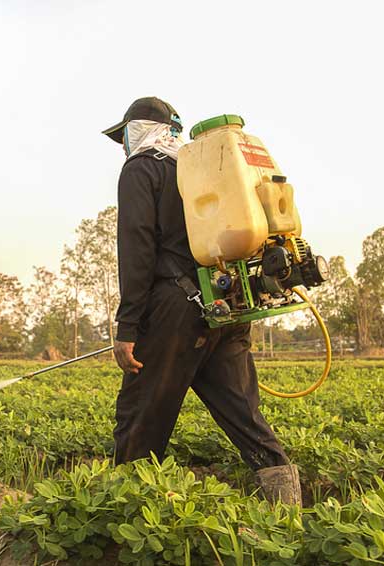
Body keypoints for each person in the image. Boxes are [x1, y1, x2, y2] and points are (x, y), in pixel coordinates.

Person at [101, 96, 301, 505]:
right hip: (227, 305)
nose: (122, 145)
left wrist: (128, 327)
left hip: (175, 310)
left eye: (123, 135)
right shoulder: (203, 171)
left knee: (141, 413)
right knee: (243, 413)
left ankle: (124, 513)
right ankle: (288, 509)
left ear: (136, 130)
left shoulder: (142, 168)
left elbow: (136, 250)